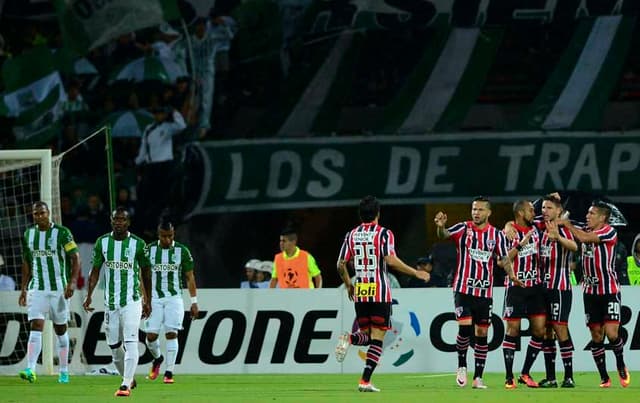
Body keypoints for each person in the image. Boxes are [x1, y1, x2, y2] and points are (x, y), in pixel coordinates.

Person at [334, 195, 429, 392]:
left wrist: (348, 285)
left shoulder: (351, 235)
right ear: (378, 213)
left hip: (360, 289)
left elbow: (340, 264)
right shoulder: (384, 234)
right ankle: (365, 381)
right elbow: (391, 260)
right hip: (379, 290)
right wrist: (415, 272)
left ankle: (350, 339)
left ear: (361, 215)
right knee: (377, 337)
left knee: (368, 336)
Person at [434, 196, 520, 389]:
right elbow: (444, 234)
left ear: (489, 213)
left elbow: (504, 258)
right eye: (474, 209)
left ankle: (478, 377)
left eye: (480, 210)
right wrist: (440, 226)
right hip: (463, 288)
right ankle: (462, 365)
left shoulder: (496, 235)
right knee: (465, 329)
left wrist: (512, 275)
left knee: (482, 333)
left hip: (484, 293)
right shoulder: (464, 228)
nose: (476, 213)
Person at [559, 201, 631, 388]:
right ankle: (604, 377)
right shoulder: (584, 228)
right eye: (588, 213)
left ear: (602, 218)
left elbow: (583, 238)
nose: (587, 216)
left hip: (609, 291)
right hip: (590, 292)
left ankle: (621, 364)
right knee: (596, 335)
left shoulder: (609, 232)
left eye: (591, 213)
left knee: (612, 334)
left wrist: (567, 224)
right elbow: (571, 225)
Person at [83, 207, 152, 397]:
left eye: (122, 219)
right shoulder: (102, 242)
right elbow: (95, 270)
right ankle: (128, 378)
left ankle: (125, 385)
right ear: (111, 221)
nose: (119, 222)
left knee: (131, 342)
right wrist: (89, 295)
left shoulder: (138, 244)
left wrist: (148, 299)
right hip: (110, 303)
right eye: (116, 219)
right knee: (114, 348)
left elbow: (146, 273)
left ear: (128, 222)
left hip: (132, 301)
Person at [18, 201, 80, 384]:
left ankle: (63, 371)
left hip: (59, 290)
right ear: (33, 215)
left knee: (60, 329)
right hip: (37, 288)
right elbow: (26, 263)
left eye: (42, 213)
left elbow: (75, 257)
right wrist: (23, 289)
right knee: (36, 325)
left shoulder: (62, 233)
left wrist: (72, 282)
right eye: (36, 214)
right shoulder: (29, 234)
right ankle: (30, 368)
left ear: (48, 213)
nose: (39, 217)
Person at [145, 218, 199, 384]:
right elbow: (143, 275)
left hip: (174, 298)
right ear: (158, 235)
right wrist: (144, 299)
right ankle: (158, 358)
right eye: (163, 236)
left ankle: (169, 373)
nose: (167, 240)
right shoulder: (149, 250)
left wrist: (194, 301)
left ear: (174, 234)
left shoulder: (182, 251)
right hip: (154, 298)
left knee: (171, 333)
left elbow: (190, 277)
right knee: (151, 336)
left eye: (170, 236)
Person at [501, 200, 546, 389]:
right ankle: (509, 377)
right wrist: (520, 244)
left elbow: (554, 214)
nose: (534, 212)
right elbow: (503, 261)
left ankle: (525, 373)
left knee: (539, 331)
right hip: (515, 288)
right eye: (530, 210)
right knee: (513, 331)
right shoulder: (508, 233)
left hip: (535, 287)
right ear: (520, 212)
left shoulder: (536, 228)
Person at [536, 195, 578, 388]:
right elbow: (516, 220)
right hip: (542, 287)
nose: (545, 211)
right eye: (543, 207)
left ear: (558, 211)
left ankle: (569, 376)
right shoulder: (539, 228)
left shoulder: (563, 229)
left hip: (560, 287)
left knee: (560, 328)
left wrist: (558, 237)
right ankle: (551, 377)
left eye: (549, 208)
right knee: (546, 332)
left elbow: (574, 246)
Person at [134, 107, 187, 236]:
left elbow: (182, 126)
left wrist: (174, 112)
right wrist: (137, 161)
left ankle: (165, 224)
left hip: (165, 165)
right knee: (148, 197)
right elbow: (144, 147)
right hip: (152, 166)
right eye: (157, 113)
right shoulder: (149, 128)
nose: (159, 116)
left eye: (161, 113)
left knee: (163, 196)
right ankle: (148, 226)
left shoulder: (168, 127)